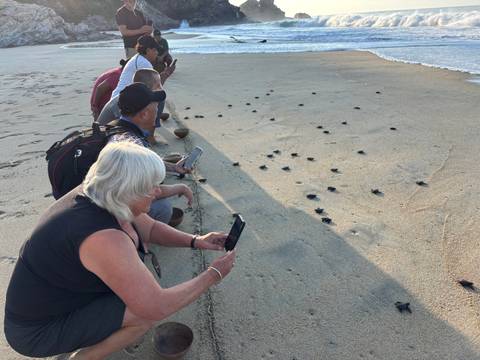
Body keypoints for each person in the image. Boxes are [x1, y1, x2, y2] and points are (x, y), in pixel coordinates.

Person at [4, 141, 236, 359]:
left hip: (61, 298)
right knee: (142, 315)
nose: (158, 192)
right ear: (127, 190)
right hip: (37, 330)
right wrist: (212, 275)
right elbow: (156, 306)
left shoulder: (102, 192)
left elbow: (151, 229)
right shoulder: (100, 236)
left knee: (136, 290)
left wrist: (196, 240)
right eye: (150, 188)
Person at [109, 81, 193, 225]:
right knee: (163, 207)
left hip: (90, 196)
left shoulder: (115, 127)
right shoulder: (132, 146)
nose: (158, 110)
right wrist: (180, 187)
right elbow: (144, 193)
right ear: (144, 114)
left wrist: (173, 167)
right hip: (105, 208)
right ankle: (133, 238)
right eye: (155, 106)